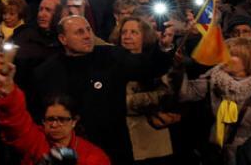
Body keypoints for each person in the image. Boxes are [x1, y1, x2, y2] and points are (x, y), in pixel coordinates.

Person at [32, 15, 174, 164]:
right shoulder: (46, 72)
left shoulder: (111, 56)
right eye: (79, 32)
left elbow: (149, 68)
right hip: (68, 152)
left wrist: (163, 48)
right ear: (63, 39)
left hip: (113, 149)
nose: (87, 35)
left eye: (88, 30)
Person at [175, 37, 251, 163]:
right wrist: (178, 68)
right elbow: (185, 93)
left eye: (230, 55)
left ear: (249, 60)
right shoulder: (214, 79)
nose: (224, 58)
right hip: (216, 152)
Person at [0, 55, 111, 165]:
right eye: (50, 119)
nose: (54, 124)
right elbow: (15, 122)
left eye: (62, 119)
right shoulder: (35, 141)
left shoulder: (94, 156)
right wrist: (7, 86)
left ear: (74, 121)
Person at [111, 17, 174, 163]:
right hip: (121, 134)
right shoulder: (110, 61)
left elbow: (164, 94)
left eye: (134, 32)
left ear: (144, 36)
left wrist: (128, 102)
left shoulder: (155, 61)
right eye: (124, 32)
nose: (127, 36)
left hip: (151, 135)